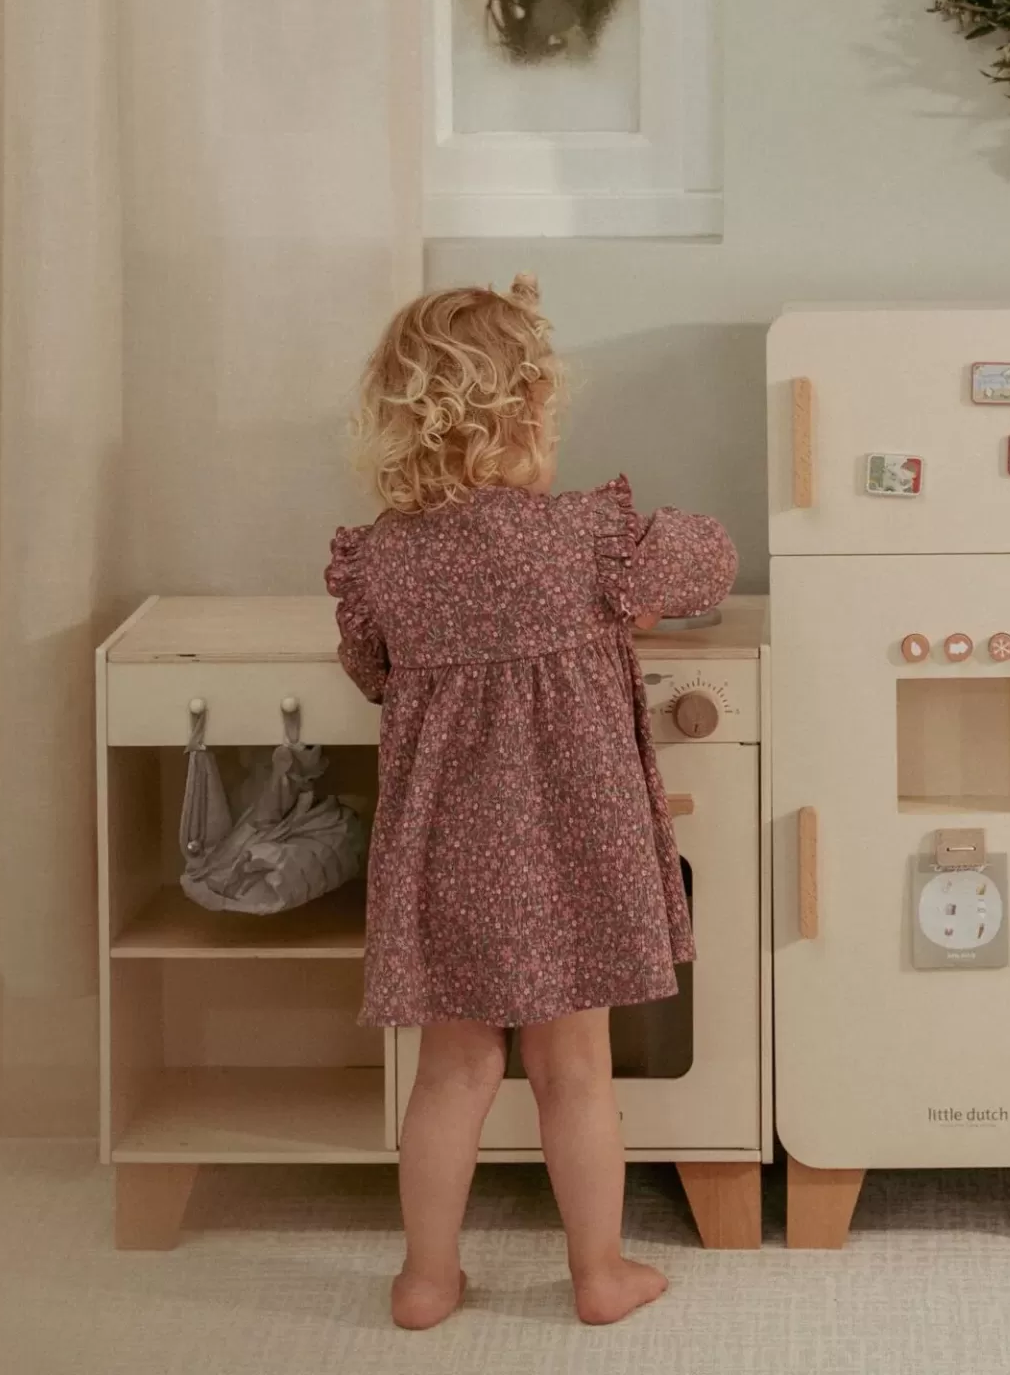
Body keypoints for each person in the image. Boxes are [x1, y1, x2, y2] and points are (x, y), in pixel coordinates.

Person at [326, 275, 736, 1329]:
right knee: (575, 1069)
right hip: (571, 851)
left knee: (452, 1072)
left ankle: (425, 1281)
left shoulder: (382, 561)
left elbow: (369, 669)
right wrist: (631, 594)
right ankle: (599, 1274)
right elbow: (711, 559)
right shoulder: (587, 542)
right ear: (523, 415)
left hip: (445, 854)